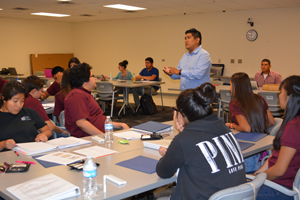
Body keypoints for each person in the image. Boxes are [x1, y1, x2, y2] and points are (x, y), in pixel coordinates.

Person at [156, 83, 246, 199]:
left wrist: (169, 153)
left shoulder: (184, 140)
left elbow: (163, 172)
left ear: (181, 114)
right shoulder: (223, 127)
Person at [253, 75, 300, 200]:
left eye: (281, 93)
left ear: (289, 98)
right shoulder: (294, 123)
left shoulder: (293, 128)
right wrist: (257, 174)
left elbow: (279, 170)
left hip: (281, 188)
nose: (279, 96)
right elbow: (274, 158)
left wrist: (257, 179)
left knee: (230, 191)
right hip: (278, 182)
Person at [226, 72, 275, 172]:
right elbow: (271, 122)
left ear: (235, 86)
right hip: (262, 154)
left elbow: (246, 128)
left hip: (248, 159)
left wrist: (232, 125)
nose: (230, 88)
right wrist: (258, 125)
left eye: (230, 85)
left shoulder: (235, 103)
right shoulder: (260, 99)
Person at [64, 63, 129, 138]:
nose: (95, 78)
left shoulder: (84, 94)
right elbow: (82, 124)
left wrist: (121, 125)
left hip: (99, 136)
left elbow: (97, 119)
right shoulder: (77, 96)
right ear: (84, 81)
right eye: (92, 76)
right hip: (90, 140)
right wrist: (104, 137)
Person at [0, 81, 51, 151]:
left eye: (22, 101)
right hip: (9, 157)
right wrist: (3, 144)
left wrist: (44, 135)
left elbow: (47, 130)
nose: (19, 105)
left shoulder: (29, 112)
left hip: (33, 152)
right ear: (3, 99)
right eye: (15, 101)